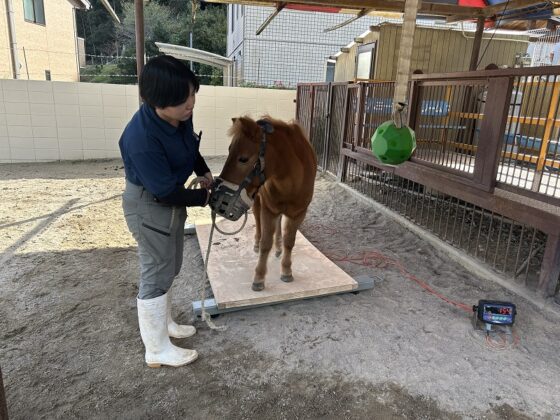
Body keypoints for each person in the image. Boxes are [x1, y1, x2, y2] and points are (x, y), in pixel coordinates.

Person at [119, 55, 213, 368]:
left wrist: (203, 171)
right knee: (156, 271)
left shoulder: (180, 116)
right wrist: (204, 199)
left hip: (170, 200)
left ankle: (166, 324)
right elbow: (165, 191)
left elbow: (190, 146)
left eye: (192, 94)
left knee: (170, 266)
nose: (191, 104)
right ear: (158, 102)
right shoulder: (141, 138)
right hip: (150, 205)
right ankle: (156, 348)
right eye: (183, 100)